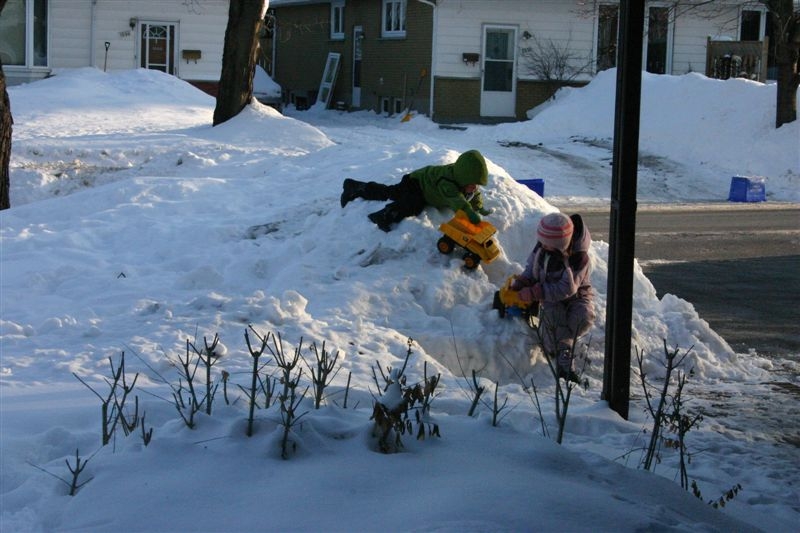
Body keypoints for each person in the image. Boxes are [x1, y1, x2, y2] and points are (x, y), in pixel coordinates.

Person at [510, 212, 594, 382]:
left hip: (576, 295)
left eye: (548, 245)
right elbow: (531, 267)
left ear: (561, 244)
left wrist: (535, 292)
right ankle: (563, 354)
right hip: (549, 296)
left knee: (582, 319)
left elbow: (567, 289)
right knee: (554, 325)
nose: (543, 246)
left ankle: (563, 341)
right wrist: (524, 281)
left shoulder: (579, 257)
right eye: (542, 243)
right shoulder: (542, 246)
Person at [340, 149, 490, 232]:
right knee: (413, 204)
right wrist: (471, 214)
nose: (474, 187)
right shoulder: (448, 183)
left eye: (477, 184)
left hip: (423, 185)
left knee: (390, 192)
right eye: (472, 184)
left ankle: (356, 187)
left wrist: (480, 208)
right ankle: (384, 215)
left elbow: (475, 196)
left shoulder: (467, 184)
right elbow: (459, 203)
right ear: (463, 178)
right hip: (416, 183)